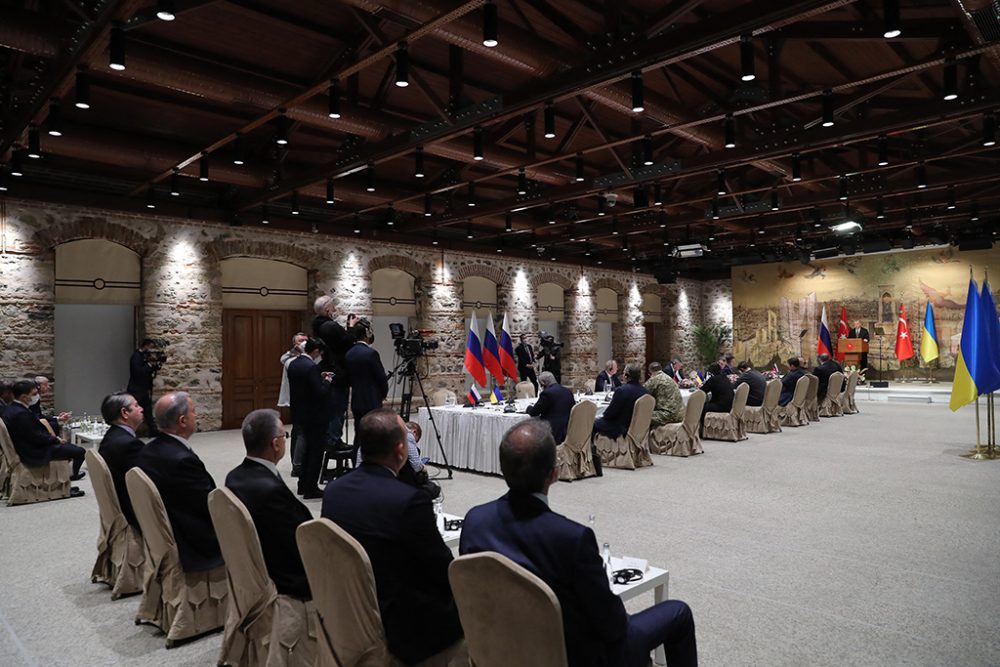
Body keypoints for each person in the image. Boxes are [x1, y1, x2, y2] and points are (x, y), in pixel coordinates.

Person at [460, 419, 698, 667]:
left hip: (502, 647)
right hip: (575, 656)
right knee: (678, 613)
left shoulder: (475, 520)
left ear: (502, 468)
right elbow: (614, 626)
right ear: (554, 474)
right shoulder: (572, 538)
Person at [321, 409, 463, 665]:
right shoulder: (409, 501)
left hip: (348, 606)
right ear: (400, 450)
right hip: (401, 623)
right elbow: (441, 568)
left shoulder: (334, 491)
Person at [225, 409, 312, 601]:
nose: (285, 440)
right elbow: (300, 540)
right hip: (285, 578)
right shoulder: (271, 491)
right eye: (284, 436)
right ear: (275, 443)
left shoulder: (234, 476)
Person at [135, 392, 223, 572]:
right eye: (193, 411)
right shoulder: (182, 460)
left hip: (167, 527)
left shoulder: (148, 450)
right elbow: (209, 505)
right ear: (183, 421)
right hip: (191, 541)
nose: (196, 415)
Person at [1, 379, 86, 495]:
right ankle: (69, 482)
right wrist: (55, 439)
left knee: (67, 445)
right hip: (34, 452)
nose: (36, 396)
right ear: (24, 397)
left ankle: (65, 482)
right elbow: (35, 437)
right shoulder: (21, 414)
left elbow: (34, 433)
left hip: (27, 446)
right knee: (80, 451)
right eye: (34, 394)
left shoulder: (12, 409)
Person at [287, 339, 331, 499]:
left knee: (306, 450)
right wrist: (326, 381)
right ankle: (311, 487)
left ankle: (302, 484)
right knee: (315, 452)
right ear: (315, 351)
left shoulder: (294, 364)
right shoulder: (311, 366)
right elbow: (320, 392)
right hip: (315, 415)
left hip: (300, 413)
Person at [312, 295, 357, 449]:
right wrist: (351, 327)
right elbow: (347, 341)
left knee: (333, 408)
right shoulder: (329, 327)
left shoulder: (319, 326)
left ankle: (332, 439)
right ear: (327, 309)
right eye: (333, 306)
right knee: (337, 409)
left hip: (330, 370)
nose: (335, 309)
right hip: (338, 372)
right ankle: (334, 440)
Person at [98, 392, 145, 525]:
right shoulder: (129, 445)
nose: (141, 409)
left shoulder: (111, 436)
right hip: (133, 511)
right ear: (125, 413)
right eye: (136, 406)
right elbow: (148, 481)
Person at [344, 318, 388, 434]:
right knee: (373, 433)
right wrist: (384, 393)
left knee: (359, 433)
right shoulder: (371, 353)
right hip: (371, 400)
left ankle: (357, 452)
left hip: (357, 400)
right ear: (367, 334)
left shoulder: (349, 353)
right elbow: (380, 377)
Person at [278, 332, 308, 477]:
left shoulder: (310, 357)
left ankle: (304, 461)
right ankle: (296, 464)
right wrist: (295, 351)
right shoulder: (289, 358)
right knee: (298, 432)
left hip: (308, 398)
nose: (304, 343)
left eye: (306, 340)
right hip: (295, 399)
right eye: (301, 341)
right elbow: (283, 359)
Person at [593, 364, 648, 439]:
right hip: (637, 427)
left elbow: (609, 414)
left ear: (626, 376)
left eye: (623, 373)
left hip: (620, 427)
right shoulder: (645, 392)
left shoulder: (621, 390)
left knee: (592, 423)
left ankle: (592, 448)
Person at [526, 371, 575, 443]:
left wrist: (528, 408)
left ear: (543, 383)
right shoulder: (567, 391)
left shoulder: (547, 394)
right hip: (568, 428)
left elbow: (534, 412)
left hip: (552, 430)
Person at [127, 339, 158, 435]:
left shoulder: (144, 356)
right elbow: (138, 372)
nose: (151, 350)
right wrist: (149, 365)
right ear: (146, 345)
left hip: (143, 389)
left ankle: (153, 430)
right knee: (133, 411)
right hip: (136, 389)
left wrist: (154, 366)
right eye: (150, 347)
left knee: (148, 410)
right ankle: (130, 431)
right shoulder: (136, 357)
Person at [644, 362, 684, 426]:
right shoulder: (669, 378)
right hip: (680, 414)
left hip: (666, 416)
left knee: (641, 415)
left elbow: (641, 393)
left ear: (650, 372)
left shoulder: (653, 380)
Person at [700, 363, 734, 435]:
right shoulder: (725, 378)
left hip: (721, 406)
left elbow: (702, 391)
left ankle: (703, 430)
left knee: (701, 407)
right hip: (729, 406)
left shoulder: (713, 379)